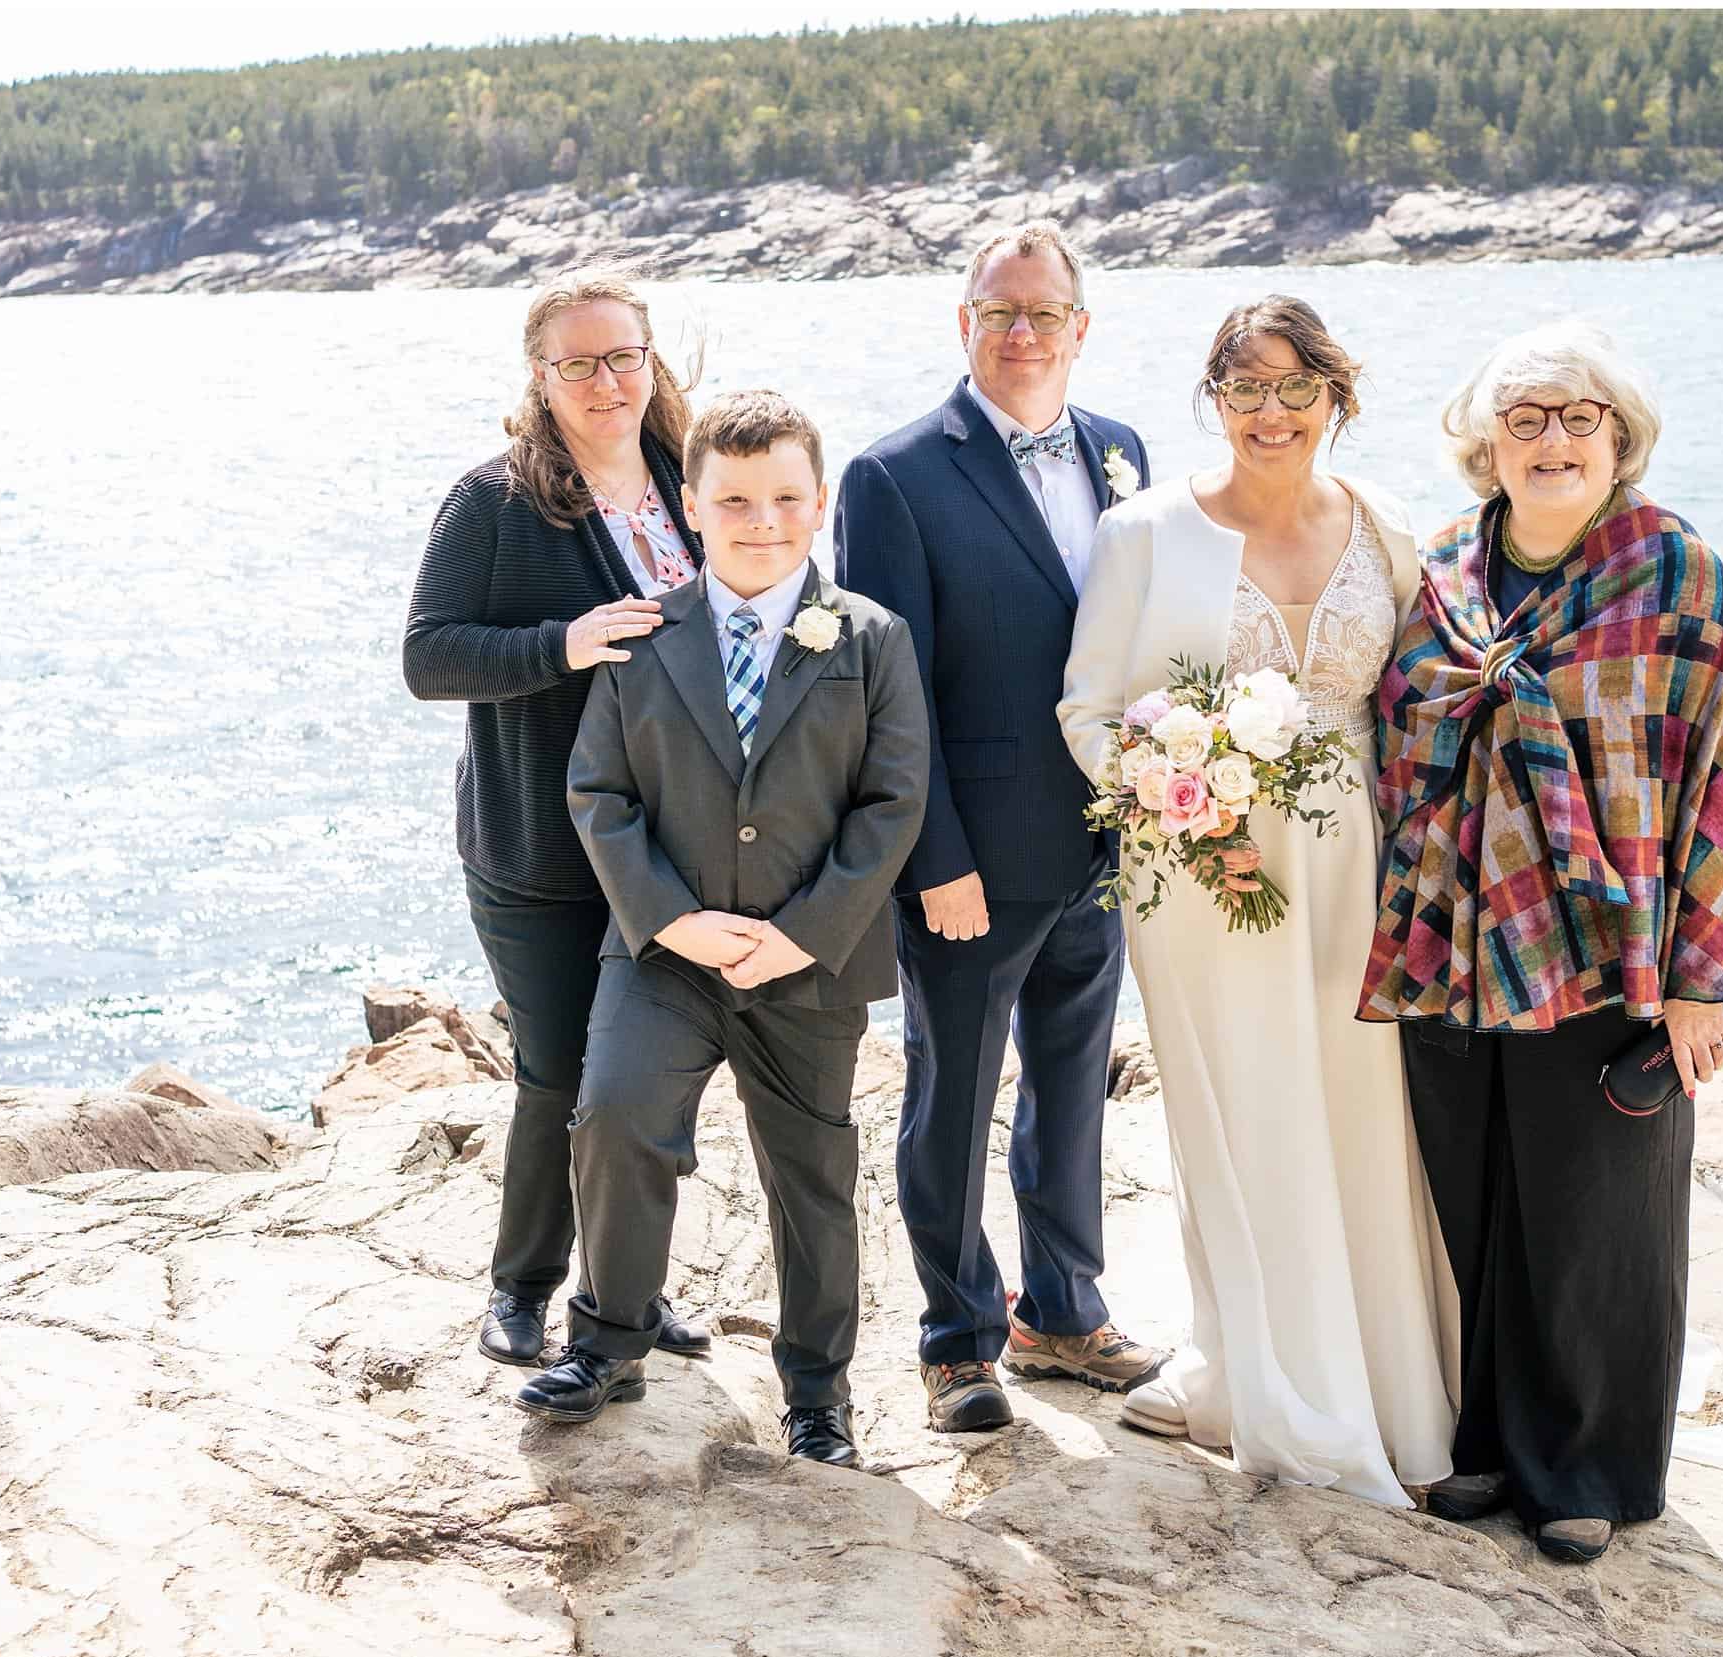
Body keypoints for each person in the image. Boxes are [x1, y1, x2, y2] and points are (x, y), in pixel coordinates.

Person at [1363, 321, 1723, 1561]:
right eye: (1526, 419)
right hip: (1456, 935)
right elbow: (1393, 737)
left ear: (1618, 439)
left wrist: (1704, 979)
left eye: (1577, 418)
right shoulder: (1445, 571)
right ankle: (1496, 1449)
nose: (1551, 440)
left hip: (1615, 950)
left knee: (1598, 1210)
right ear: (1484, 444)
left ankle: (1594, 1470)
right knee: (1482, 1194)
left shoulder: (1675, 571)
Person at [1057, 296, 1458, 1508]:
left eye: (1296, 388)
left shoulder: (1386, 525)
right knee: (1244, 1115)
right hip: (1202, 874)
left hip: (1358, 865)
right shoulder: (1143, 534)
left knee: (1360, 1107)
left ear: (1335, 395)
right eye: (1245, 389)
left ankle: (1392, 1383)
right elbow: (1087, 710)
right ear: (1212, 399)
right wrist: (1178, 805)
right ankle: (1259, 1371)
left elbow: (1427, 692)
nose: (1270, 413)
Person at [520, 389, 930, 1468]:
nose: (763, 519)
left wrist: (803, 933)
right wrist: (672, 920)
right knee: (614, 1114)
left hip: (811, 961)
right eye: (735, 499)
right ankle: (610, 1334)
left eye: (786, 497)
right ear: (692, 506)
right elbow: (599, 794)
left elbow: (893, 801)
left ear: (820, 502)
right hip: (666, 954)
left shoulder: (873, 638)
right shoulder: (646, 636)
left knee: (812, 1171)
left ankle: (818, 1391)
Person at [835, 222, 1167, 1432]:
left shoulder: (1126, 452)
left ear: (1082, 328)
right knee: (951, 1094)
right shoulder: (894, 475)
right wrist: (937, 862)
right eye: (996, 312)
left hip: (1105, 847)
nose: (1020, 333)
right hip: (972, 859)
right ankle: (956, 1338)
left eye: (1042, 313)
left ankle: (1063, 1311)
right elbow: (891, 689)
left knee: (1073, 1091)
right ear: (962, 325)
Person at [403, 264, 714, 1369]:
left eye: (623, 355)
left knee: (646, 1078)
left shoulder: (695, 479)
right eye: (577, 362)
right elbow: (427, 657)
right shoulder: (492, 500)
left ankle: (626, 1291)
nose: (605, 380)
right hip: (539, 847)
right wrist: (563, 642)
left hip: (674, 845)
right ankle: (521, 1287)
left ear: (651, 361)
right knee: (558, 1072)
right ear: (540, 377)